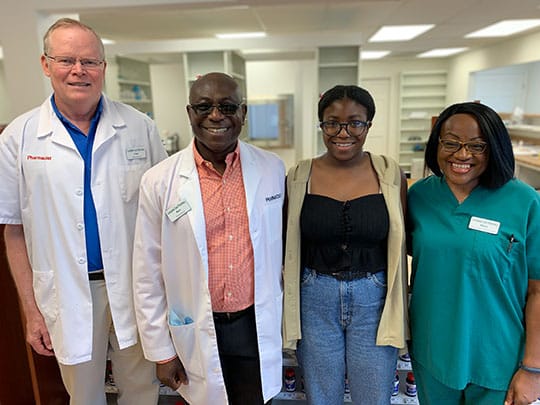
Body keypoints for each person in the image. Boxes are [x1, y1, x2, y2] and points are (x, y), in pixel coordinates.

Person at [0, 18, 167, 404]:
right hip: (67, 292)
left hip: (134, 286)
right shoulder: (19, 138)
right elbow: (13, 231)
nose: (79, 70)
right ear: (46, 65)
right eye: (66, 60)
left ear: (104, 68)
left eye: (90, 61)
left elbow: (161, 216)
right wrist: (31, 311)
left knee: (142, 390)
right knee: (84, 395)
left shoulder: (139, 127)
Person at [132, 72, 286, 405]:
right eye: (204, 106)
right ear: (190, 113)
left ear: (243, 113)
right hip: (196, 326)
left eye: (227, 106)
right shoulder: (159, 181)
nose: (216, 115)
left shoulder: (273, 169)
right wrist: (161, 352)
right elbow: (146, 273)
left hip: (253, 324)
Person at [282, 84, 409, 405]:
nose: (343, 132)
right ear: (321, 125)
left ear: (368, 125)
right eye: (332, 122)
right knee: (322, 396)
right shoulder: (299, 175)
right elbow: (284, 239)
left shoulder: (389, 173)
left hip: (375, 299)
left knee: (374, 396)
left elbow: (405, 234)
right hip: (315, 297)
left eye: (355, 122)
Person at [407, 102, 540, 405]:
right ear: (436, 144)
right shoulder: (419, 197)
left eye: (476, 146)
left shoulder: (524, 202)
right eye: (451, 143)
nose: (462, 154)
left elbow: (538, 291)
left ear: (494, 148)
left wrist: (533, 369)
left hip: (498, 359)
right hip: (434, 353)